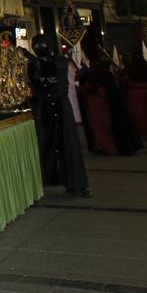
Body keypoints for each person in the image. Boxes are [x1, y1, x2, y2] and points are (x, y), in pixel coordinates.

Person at [29, 34, 90, 197]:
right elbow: (36, 83)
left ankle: (75, 183)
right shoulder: (34, 64)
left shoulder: (60, 62)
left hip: (60, 109)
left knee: (67, 144)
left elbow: (57, 82)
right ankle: (42, 182)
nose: (39, 50)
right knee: (44, 145)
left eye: (42, 46)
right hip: (43, 109)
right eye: (36, 47)